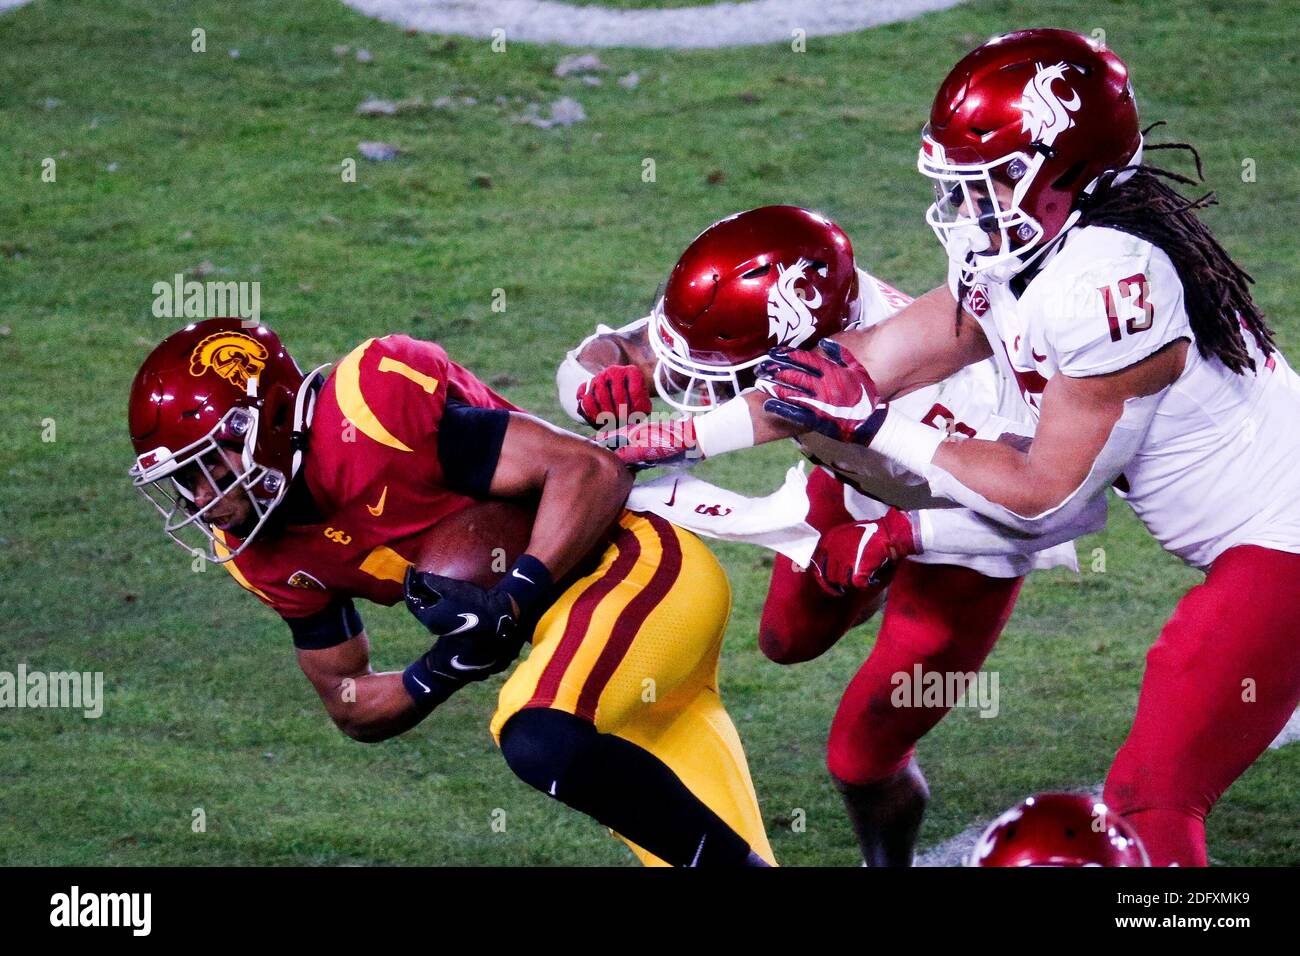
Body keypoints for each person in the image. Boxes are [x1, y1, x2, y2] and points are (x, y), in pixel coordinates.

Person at [622, 30, 1300, 866]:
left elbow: (1046, 494)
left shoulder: (1108, 284)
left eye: (1001, 176)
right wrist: (670, 439)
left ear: (1071, 166)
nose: (976, 203)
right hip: (1251, 533)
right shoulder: (1042, 244)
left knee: (1149, 799)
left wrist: (874, 429)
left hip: (1279, 539)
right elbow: (868, 366)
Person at [127, 317, 774, 866]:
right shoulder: (258, 554)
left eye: (210, 468)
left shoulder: (368, 411)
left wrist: (514, 597)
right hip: (605, 657)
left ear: (261, 423)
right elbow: (350, 703)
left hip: (635, 565)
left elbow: (591, 469)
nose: (205, 502)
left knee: (538, 734)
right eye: (186, 484)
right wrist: (446, 666)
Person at [558, 205, 1084, 865]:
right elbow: (610, 352)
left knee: (861, 759)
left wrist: (898, 535)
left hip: (967, 536)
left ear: (803, 344)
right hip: (857, 482)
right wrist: (595, 381)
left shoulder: (960, 406)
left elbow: (1038, 517)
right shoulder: (795, 303)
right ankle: (867, 574)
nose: (694, 379)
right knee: (785, 640)